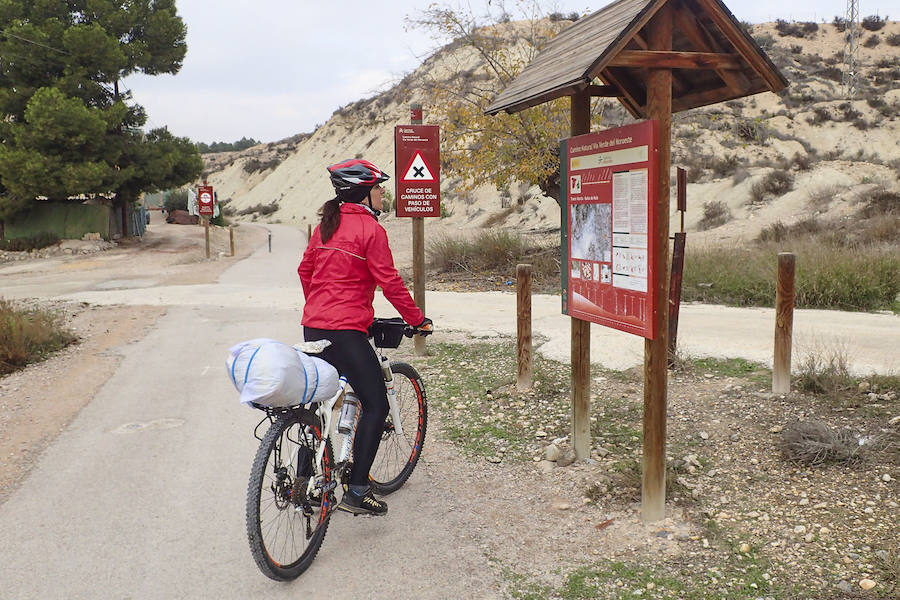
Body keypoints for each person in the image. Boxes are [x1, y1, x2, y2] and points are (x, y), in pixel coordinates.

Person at [298, 158, 432, 516]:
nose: (383, 192)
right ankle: (357, 489)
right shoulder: (371, 231)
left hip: (314, 325)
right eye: (378, 187)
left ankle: (302, 481)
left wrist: (321, 306)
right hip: (346, 330)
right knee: (377, 404)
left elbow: (305, 270)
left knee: (318, 399)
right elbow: (389, 282)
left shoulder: (326, 225)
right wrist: (417, 320)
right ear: (363, 193)